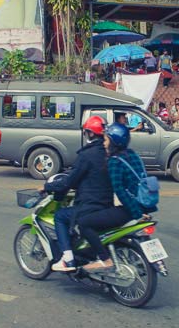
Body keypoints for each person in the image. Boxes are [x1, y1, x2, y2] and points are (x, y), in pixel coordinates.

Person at [76, 123, 155, 272]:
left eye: (106, 140)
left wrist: (137, 214)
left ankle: (105, 260)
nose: (104, 143)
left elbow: (120, 191)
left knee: (84, 223)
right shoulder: (132, 154)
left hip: (127, 210)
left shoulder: (114, 161)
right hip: (144, 204)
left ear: (113, 142)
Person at [50, 116, 113, 272]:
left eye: (87, 132)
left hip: (90, 205)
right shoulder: (109, 153)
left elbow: (70, 180)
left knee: (60, 216)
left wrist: (48, 186)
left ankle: (68, 259)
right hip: (107, 205)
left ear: (90, 134)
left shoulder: (86, 155)